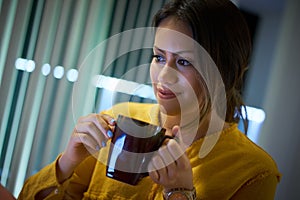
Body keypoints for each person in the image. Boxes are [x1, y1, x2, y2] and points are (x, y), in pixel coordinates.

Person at [18, 0, 281, 199]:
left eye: (183, 61)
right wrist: (67, 163)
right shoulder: (118, 118)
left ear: (224, 70)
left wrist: (180, 193)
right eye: (158, 57)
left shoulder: (255, 172)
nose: (163, 75)